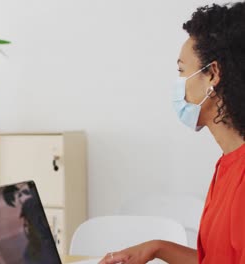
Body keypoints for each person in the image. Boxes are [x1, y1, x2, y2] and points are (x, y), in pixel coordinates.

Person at [99, 2, 245, 264]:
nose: (178, 83)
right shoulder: (228, 163)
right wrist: (157, 248)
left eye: (181, 70)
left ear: (212, 74)